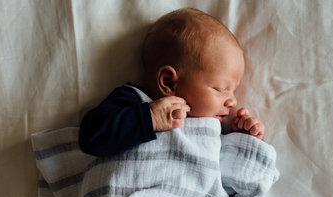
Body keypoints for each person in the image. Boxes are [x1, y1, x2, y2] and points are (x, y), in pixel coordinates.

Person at [78, 8, 265, 156]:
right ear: (168, 82)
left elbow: (221, 174)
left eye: (233, 90)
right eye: (221, 89)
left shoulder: (214, 128)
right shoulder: (135, 101)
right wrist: (149, 119)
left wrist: (242, 140)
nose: (232, 101)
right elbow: (90, 137)